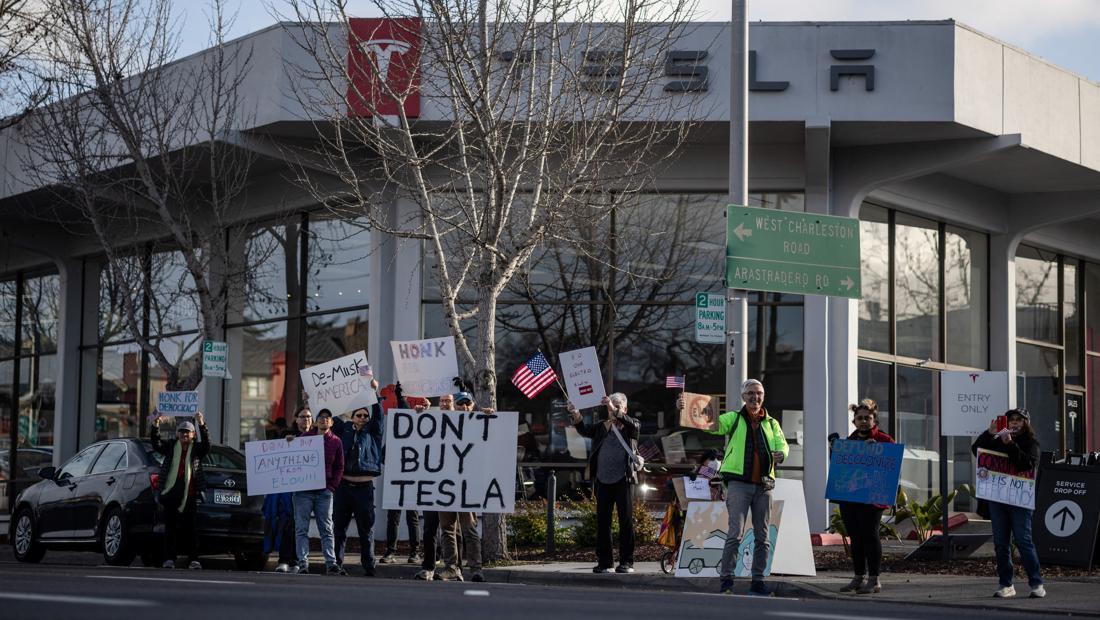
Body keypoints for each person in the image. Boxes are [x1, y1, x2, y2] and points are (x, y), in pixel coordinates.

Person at [696, 378, 788, 596]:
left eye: (759, 393)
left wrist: (781, 453)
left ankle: (758, 581)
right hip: (738, 484)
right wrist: (688, 410)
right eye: (751, 393)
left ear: (763, 397)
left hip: (764, 485)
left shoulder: (772, 423)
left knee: (762, 537)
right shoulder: (734, 418)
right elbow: (712, 426)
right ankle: (726, 581)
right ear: (743, 397)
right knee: (735, 534)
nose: (755, 397)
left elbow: (782, 444)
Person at [971, 409, 1045, 599]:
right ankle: (1006, 584)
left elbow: (1026, 464)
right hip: (998, 500)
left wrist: (1010, 445)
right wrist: (989, 433)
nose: (1014, 423)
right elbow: (977, 451)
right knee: (1001, 544)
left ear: (1026, 423)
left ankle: (1036, 583)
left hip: (1020, 501)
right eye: (1011, 420)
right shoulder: (996, 440)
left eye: (1019, 420)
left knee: (1023, 541)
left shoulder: (1031, 444)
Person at [569, 392, 640, 575]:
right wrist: (576, 414)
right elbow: (583, 430)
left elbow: (633, 426)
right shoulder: (602, 427)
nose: (612, 408)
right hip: (602, 479)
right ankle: (605, 562)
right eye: (610, 405)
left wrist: (613, 409)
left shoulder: (631, 426)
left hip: (623, 479)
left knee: (625, 522)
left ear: (625, 408)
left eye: (617, 405)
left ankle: (626, 562)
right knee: (603, 522)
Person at [834, 399, 895, 595]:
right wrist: (833, 451)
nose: (863, 421)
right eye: (859, 418)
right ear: (854, 421)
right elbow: (840, 469)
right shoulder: (848, 443)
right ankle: (858, 577)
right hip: (850, 497)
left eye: (867, 418)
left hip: (872, 497)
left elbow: (892, 467)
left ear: (874, 420)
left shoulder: (885, 441)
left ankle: (874, 579)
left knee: (870, 535)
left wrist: (877, 451)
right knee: (856, 537)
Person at [330, 391, 385, 577]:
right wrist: (311, 399)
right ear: (352, 418)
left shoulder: (374, 431)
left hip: (364, 489)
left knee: (366, 529)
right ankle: (337, 563)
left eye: (365, 416)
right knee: (339, 528)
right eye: (359, 415)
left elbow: (379, 414)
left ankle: (369, 564)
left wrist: (374, 393)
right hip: (343, 488)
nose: (362, 418)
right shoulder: (343, 429)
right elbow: (328, 415)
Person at [288, 406, 345, 575]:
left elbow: (339, 466)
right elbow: (293, 461)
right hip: (303, 491)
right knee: (301, 528)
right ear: (316, 421)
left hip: (324, 492)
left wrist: (332, 487)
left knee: (326, 528)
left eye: (327, 417)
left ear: (332, 422)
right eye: (321, 417)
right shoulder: (304, 438)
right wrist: (289, 444)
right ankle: (303, 563)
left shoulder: (336, 441)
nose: (323, 419)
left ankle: (331, 563)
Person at [151, 412, 210, 570]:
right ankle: (169, 559)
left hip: (189, 495)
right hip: (171, 494)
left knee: (191, 529)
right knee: (170, 529)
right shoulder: (171, 447)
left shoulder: (196, 449)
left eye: (188, 432)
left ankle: (194, 560)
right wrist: (155, 424)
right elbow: (156, 444)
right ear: (177, 434)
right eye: (182, 431)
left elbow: (207, 446)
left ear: (193, 435)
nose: (185, 434)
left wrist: (202, 423)